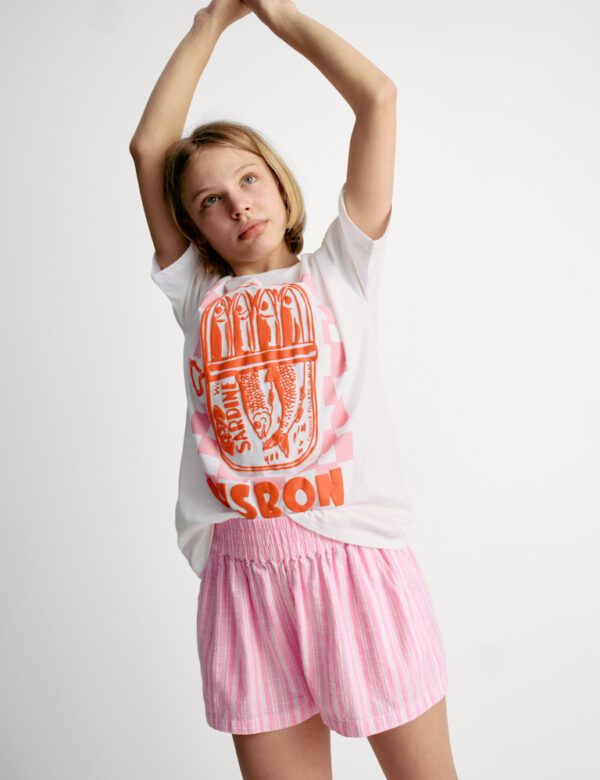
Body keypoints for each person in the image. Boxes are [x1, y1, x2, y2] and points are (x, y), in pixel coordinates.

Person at [130, 1, 459, 777]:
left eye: (249, 179)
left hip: (355, 564)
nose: (238, 203)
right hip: (244, 581)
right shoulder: (196, 293)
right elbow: (149, 146)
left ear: (281, 186)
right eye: (210, 201)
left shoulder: (342, 268)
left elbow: (377, 97)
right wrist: (212, 22)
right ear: (195, 229)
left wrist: (274, 12)